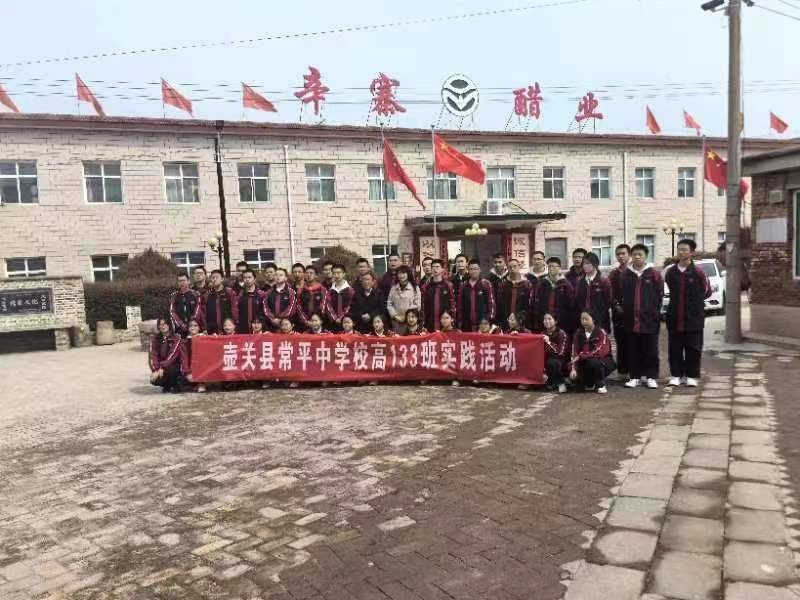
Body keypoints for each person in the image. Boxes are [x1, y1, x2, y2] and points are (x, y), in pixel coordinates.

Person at [664, 238, 712, 387]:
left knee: (693, 348)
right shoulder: (671, 272)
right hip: (674, 317)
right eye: (679, 249)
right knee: (675, 348)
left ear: (691, 252)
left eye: (684, 249)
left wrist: (694, 304)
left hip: (694, 318)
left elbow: (707, 291)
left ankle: (692, 375)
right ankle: (676, 375)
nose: (681, 252)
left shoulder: (698, 272)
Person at [622, 243, 664, 389]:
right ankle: (635, 377)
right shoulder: (626, 275)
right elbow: (622, 295)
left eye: (640, 254)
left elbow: (660, 295)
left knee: (651, 350)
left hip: (649, 320)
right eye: (634, 254)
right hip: (631, 320)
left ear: (646, 256)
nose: (637, 257)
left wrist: (654, 312)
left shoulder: (654, 274)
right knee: (633, 350)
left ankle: (651, 377)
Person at [569, 310, 615, 394]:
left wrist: (582, 356)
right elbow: (574, 351)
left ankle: (601, 384)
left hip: (602, 360)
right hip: (584, 361)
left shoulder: (601, 332)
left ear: (593, 319)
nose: (584, 321)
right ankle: (590, 382)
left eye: (586, 319)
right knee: (576, 382)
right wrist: (573, 369)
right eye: (582, 319)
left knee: (593, 362)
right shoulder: (578, 333)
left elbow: (600, 351)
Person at [532, 257, 575, 335]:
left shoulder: (566, 284)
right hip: (545, 321)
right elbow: (537, 301)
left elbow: (571, 304)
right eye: (549, 266)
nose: (551, 268)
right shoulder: (542, 283)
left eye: (553, 266)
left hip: (561, 321)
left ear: (559, 268)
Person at [608, 244, 631, 379]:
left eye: (623, 253)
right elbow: (610, 292)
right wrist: (616, 305)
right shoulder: (613, 274)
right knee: (621, 342)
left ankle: (636, 371)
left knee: (633, 342)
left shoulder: (634, 272)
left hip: (633, 314)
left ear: (629, 255)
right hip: (618, 314)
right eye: (618, 254)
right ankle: (622, 371)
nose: (621, 256)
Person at [574, 252, 612, 334]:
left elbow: (608, 301)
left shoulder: (603, 280)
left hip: (600, 319)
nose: (585, 266)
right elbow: (577, 299)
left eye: (588, 263)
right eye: (584, 263)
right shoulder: (580, 281)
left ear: (595, 264)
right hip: (584, 319)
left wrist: (598, 314)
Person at [457, 259, 496, 332]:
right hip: (466, 324)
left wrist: (489, 320)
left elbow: (491, 303)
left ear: (480, 270)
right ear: (468, 270)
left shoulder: (486, 284)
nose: (473, 271)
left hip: (483, 324)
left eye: (475, 269)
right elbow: (459, 306)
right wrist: (460, 322)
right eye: (471, 269)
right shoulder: (463, 286)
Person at [421, 259, 457, 332]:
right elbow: (423, 305)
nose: (435, 269)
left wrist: (452, 319)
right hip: (430, 322)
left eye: (437, 267)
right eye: (433, 267)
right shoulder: (426, 286)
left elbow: (452, 304)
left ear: (442, 269)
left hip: (445, 322)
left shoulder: (448, 285)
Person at [149, 317, 182, 393]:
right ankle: (167, 385)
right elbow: (153, 355)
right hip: (161, 367)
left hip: (174, 365)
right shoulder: (155, 339)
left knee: (171, 370)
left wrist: (162, 367)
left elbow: (173, 355)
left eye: (165, 324)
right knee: (154, 380)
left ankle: (176, 384)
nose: (162, 326)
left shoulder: (176, 337)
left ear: (169, 325)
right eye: (160, 324)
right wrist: (156, 370)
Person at [498, 258, 533, 329]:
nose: (512, 269)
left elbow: (530, 303)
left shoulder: (527, 284)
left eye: (515, 266)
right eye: (510, 267)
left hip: (522, 320)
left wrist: (524, 317)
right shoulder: (503, 284)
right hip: (506, 319)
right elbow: (500, 302)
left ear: (519, 266)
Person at [387, 265, 421, 335]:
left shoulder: (415, 288)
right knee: (398, 340)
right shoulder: (393, 288)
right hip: (397, 322)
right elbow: (389, 304)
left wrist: (406, 315)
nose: (401, 275)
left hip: (411, 321)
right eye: (399, 273)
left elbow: (417, 305)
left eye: (403, 273)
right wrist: (396, 316)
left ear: (408, 274)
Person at [202, 269, 238, 335]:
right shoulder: (207, 295)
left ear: (222, 279)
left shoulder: (230, 293)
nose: (215, 279)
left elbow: (235, 310)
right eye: (213, 278)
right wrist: (205, 327)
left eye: (217, 277)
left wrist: (234, 324)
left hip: (228, 330)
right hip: (212, 331)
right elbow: (204, 313)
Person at [542, 313, 569, 394]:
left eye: (549, 319)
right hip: (545, 359)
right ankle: (551, 381)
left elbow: (561, 352)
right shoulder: (542, 334)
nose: (547, 321)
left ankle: (561, 383)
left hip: (560, 360)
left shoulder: (561, 333)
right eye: (545, 319)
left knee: (552, 362)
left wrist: (549, 342)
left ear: (555, 321)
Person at [264, 268, 297, 332]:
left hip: (286, 324)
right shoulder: (268, 292)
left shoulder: (291, 292)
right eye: (276, 275)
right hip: (271, 323)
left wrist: (280, 319)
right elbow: (265, 307)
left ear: (286, 278)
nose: (278, 277)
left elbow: (292, 307)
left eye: (281, 275)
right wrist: (272, 318)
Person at [169, 273, 202, 337]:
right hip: (180, 329)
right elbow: (172, 311)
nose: (182, 283)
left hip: (194, 328)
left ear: (188, 281)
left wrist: (191, 324)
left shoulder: (196, 294)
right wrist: (181, 324)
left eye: (183, 280)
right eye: (179, 281)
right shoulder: (174, 296)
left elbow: (198, 309)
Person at [324, 264, 355, 332]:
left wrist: (341, 317)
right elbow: (328, 305)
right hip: (332, 322)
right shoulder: (330, 290)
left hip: (347, 322)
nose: (336, 275)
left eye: (338, 273)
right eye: (334, 273)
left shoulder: (350, 290)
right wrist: (335, 318)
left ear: (344, 274)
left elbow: (350, 305)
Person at [236, 269, 266, 334]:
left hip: (258, 330)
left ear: (254, 279)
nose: (247, 279)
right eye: (245, 278)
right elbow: (236, 311)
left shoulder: (262, 294)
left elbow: (265, 312)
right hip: (243, 330)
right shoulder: (239, 295)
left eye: (249, 277)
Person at [180, 318, 206, 393]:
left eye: (195, 325)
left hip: (203, 369)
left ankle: (201, 383)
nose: (193, 328)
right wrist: (187, 373)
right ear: (188, 328)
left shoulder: (205, 339)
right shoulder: (185, 342)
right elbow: (184, 359)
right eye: (191, 326)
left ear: (199, 327)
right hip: (191, 369)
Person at [297, 267, 327, 331]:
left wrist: (315, 320)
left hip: (319, 323)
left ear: (316, 275)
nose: (309, 275)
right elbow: (299, 306)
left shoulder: (322, 289)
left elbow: (323, 306)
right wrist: (305, 320)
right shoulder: (300, 290)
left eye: (311, 273)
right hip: (304, 323)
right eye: (307, 273)